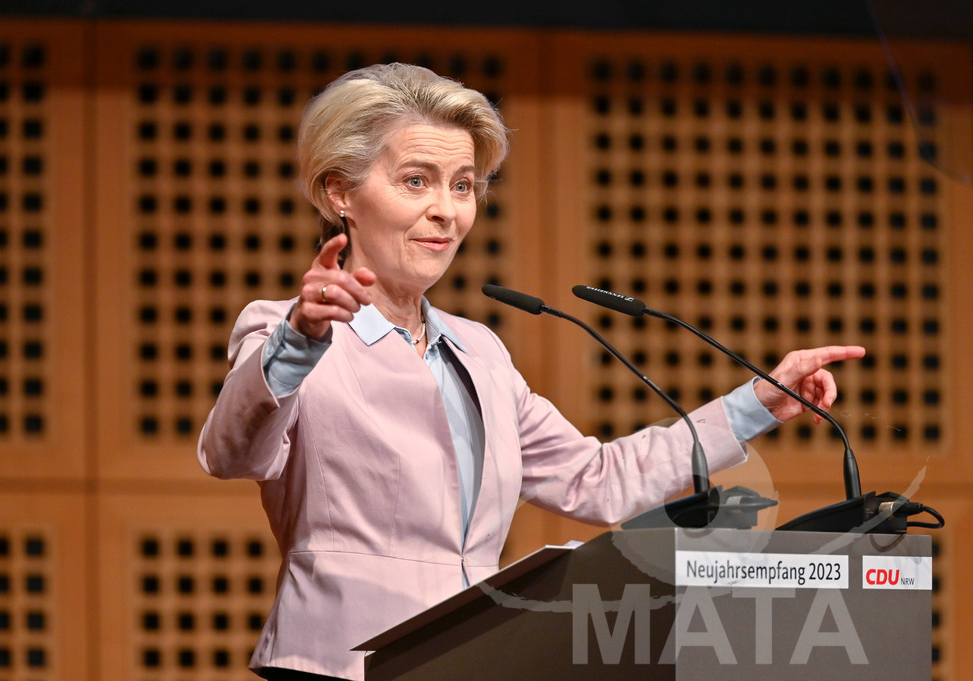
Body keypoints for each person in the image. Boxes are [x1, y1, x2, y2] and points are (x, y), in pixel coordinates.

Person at [197, 63, 865, 681]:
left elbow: (598, 480)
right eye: (415, 181)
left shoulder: (478, 350)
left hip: (475, 657)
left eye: (463, 186)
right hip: (339, 663)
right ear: (340, 190)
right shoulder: (289, 328)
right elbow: (233, 451)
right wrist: (298, 340)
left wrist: (757, 402)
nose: (447, 211)